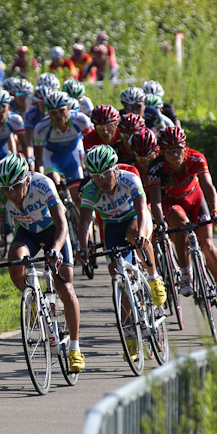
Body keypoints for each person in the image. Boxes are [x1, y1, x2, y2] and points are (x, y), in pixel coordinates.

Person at [0, 153, 85, 372]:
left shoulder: (43, 183)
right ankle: (31, 298)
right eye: (5, 189)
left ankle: (75, 348)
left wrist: (56, 250)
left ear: (26, 180)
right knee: (15, 262)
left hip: (53, 232)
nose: (10, 194)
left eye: (15, 187)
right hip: (28, 232)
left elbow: (62, 224)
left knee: (64, 286)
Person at [78, 145, 165, 359]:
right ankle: (130, 337)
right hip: (112, 227)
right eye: (96, 176)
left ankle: (154, 279)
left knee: (135, 233)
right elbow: (85, 222)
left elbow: (143, 210)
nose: (103, 180)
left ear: (115, 169)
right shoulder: (90, 190)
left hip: (135, 219)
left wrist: (144, 233)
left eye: (106, 173)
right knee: (119, 277)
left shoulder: (129, 179)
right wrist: (84, 245)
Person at [148, 126, 217, 314]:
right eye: (169, 151)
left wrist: (215, 210)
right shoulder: (155, 168)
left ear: (185, 147)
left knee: (207, 245)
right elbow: (155, 201)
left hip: (196, 201)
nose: (175, 154)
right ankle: (186, 272)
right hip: (172, 204)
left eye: (178, 148)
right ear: (161, 152)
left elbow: (208, 186)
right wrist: (160, 222)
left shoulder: (196, 158)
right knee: (181, 224)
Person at [33, 90, 93, 205]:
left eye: (61, 111)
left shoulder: (81, 120)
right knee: (54, 182)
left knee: (77, 197)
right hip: (52, 157)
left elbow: (91, 145)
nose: (58, 116)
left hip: (72, 156)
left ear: (69, 108)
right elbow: (39, 159)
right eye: (53, 113)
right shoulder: (41, 128)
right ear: (48, 113)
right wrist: (39, 179)